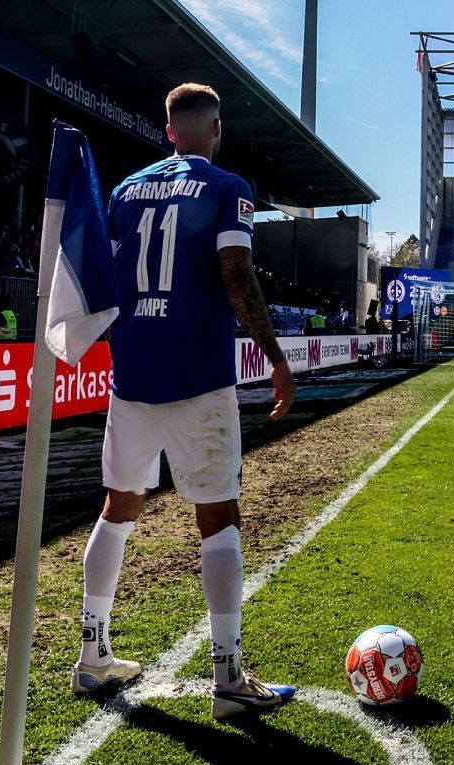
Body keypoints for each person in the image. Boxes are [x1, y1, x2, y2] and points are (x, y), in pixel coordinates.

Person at [73, 83, 297, 718]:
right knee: (218, 515)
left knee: (118, 507)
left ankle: (93, 657)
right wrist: (275, 358)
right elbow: (235, 272)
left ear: (168, 130)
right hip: (198, 374)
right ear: (216, 130)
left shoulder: (123, 190)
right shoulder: (228, 188)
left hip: (133, 374)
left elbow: (99, 274)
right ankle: (228, 677)